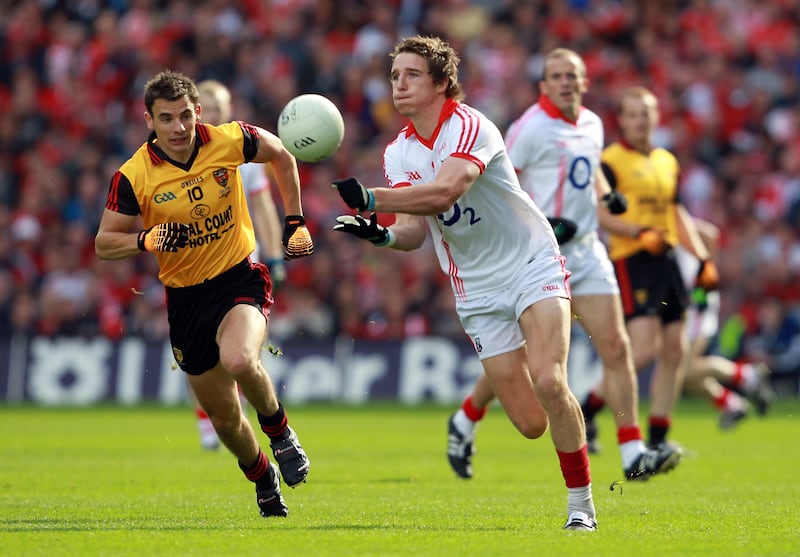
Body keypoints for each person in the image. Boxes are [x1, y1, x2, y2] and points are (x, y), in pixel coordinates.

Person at [332, 35, 597, 531]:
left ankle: (580, 505)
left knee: (549, 379)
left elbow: (445, 192)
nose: (399, 84)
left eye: (411, 75)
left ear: (440, 83)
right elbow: (415, 232)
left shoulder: (472, 125)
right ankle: (483, 418)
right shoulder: (399, 153)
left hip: (531, 262)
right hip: (475, 290)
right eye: (394, 76)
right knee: (530, 423)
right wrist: (382, 235)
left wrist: (371, 197)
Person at [445, 48, 681, 483]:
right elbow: (497, 185)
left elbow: (588, 168)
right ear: (544, 85)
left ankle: (632, 451)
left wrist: (607, 192)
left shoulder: (592, 123)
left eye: (572, 75)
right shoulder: (528, 127)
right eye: (556, 76)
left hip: (587, 250)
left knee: (616, 346)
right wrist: (545, 219)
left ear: (584, 82)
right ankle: (466, 417)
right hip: (536, 253)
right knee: (523, 364)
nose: (565, 82)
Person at [95, 70, 313, 518]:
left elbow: (281, 154)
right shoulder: (133, 175)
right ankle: (263, 478)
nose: (178, 128)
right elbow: (104, 243)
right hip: (186, 300)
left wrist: (295, 220)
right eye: (166, 119)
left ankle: (281, 433)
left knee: (239, 359)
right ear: (149, 121)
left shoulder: (230, 140)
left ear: (198, 112)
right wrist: (146, 239)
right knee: (225, 419)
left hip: (239, 277)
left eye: (185, 116)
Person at [593, 85, 720, 451]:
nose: (640, 120)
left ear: (656, 116)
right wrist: (639, 232)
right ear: (622, 120)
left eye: (645, 113)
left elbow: (677, 213)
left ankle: (660, 439)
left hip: (666, 259)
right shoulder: (612, 160)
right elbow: (600, 214)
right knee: (644, 348)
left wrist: (703, 260)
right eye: (633, 114)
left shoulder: (667, 160)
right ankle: (590, 406)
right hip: (633, 258)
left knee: (675, 351)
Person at [190, 79, 288, 451]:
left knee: (244, 350)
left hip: (244, 265)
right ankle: (208, 417)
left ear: (227, 113)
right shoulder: (175, 157)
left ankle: (243, 412)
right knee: (196, 353)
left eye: (218, 108)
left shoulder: (242, 157)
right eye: (206, 107)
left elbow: (263, 211)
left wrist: (275, 257)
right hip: (195, 269)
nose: (212, 115)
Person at [674, 218, 773, 429]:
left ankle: (747, 375)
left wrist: (705, 281)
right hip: (682, 304)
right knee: (684, 374)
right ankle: (732, 402)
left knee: (682, 369)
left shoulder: (671, 217)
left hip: (697, 301)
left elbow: (711, 234)